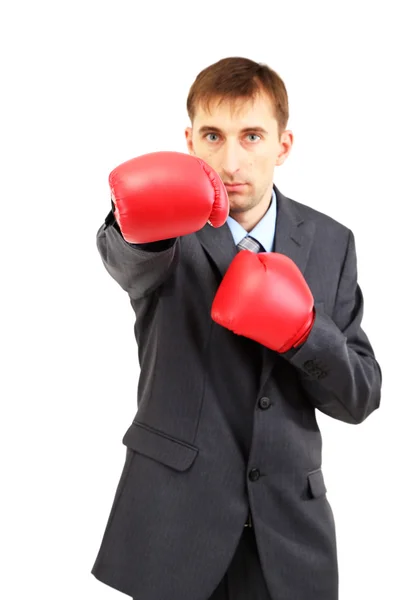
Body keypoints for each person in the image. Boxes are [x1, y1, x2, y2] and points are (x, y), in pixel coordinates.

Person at [90, 57, 382, 600]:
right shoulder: (163, 230)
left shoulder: (331, 241)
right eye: (212, 135)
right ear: (189, 142)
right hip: (175, 525)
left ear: (283, 145)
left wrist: (303, 332)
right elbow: (126, 259)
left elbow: (361, 396)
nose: (230, 160)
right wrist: (133, 225)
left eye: (251, 136)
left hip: (290, 534)